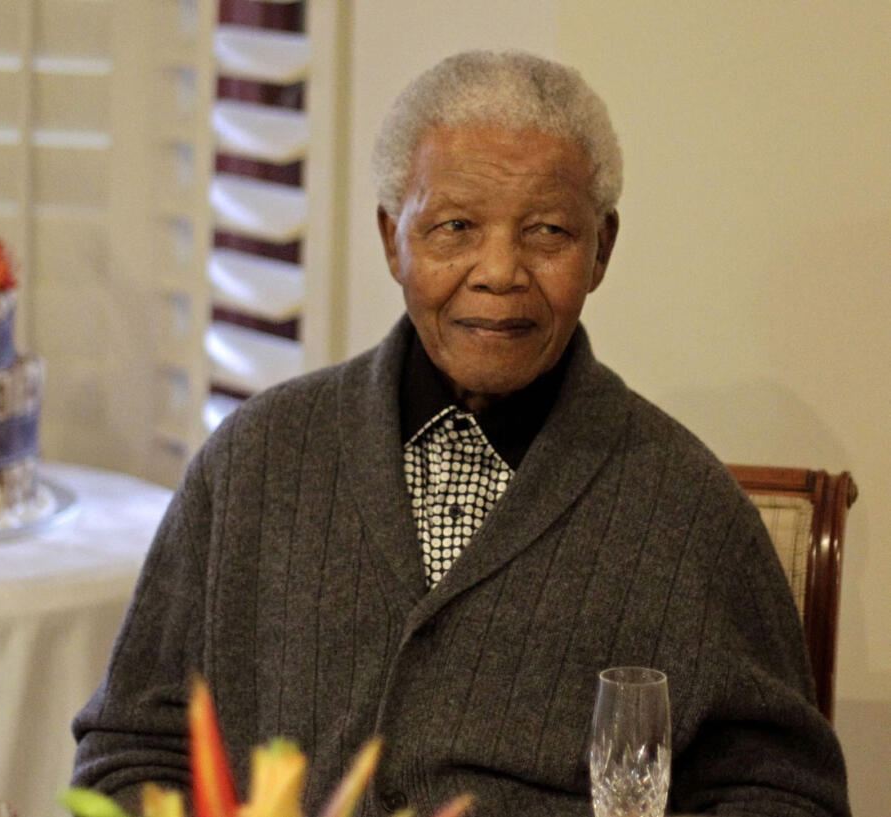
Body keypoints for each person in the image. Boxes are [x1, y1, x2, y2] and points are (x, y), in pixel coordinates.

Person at [72, 50, 849, 817]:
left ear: (601, 249)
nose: (500, 270)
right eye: (455, 227)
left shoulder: (688, 511)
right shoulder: (254, 461)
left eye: (547, 231)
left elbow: (785, 795)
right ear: (392, 239)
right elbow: (130, 752)